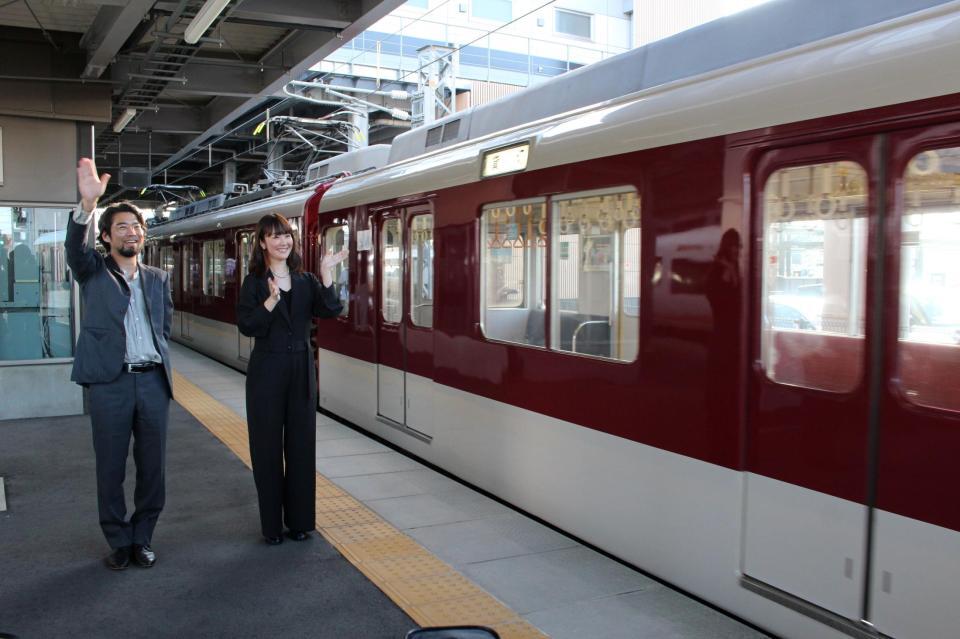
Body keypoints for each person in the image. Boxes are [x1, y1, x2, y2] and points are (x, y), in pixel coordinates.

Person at [65, 158, 174, 570]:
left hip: (151, 384)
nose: (133, 232)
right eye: (124, 226)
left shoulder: (157, 277)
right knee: (110, 469)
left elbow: (163, 327)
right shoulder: (92, 271)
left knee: (153, 470)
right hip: (110, 384)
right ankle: (118, 540)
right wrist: (87, 207)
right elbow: (75, 249)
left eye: (138, 226)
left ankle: (143, 537)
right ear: (107, 237)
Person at [237, 213, 346, 545]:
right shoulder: (254, 282)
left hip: (301, 368)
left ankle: (300, 521)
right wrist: (270, 302)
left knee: (301, 446)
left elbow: (331, 309)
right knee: (267, 448)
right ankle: (272, 527)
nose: (283, 241)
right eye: (274, 236)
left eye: (286, 235)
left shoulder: (305, 280)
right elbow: (247, 326)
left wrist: (327, 274)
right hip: (266, 369)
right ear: (262, 243)